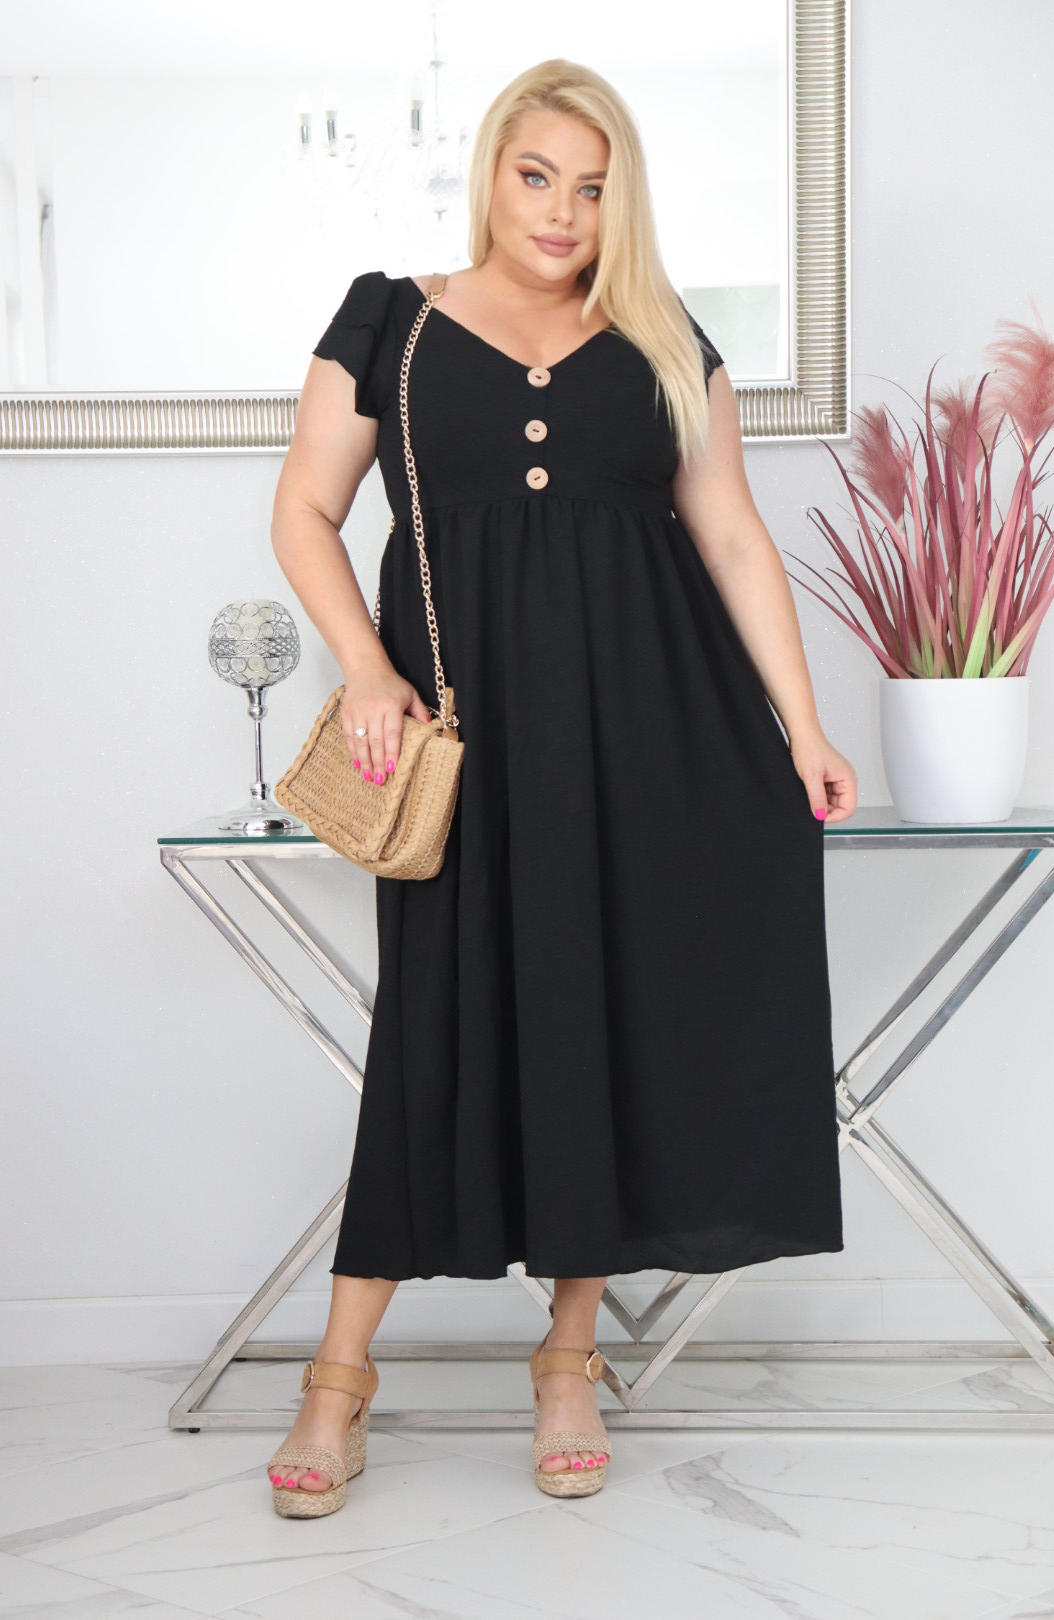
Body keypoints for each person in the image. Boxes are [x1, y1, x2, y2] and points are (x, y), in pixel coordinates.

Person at [265, 56, 857, 1518]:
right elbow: (305, 511)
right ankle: (337, 1376)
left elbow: (730, 538)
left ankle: (568, 1356)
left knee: (602, 1018)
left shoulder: (662, 338)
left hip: (649, 730)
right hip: (466, 740)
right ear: (491, 171)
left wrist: (802, 728)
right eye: (537, 176)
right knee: (432, 1029)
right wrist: (366, 669)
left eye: (592, 188)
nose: (562, 211)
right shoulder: (391, 320)